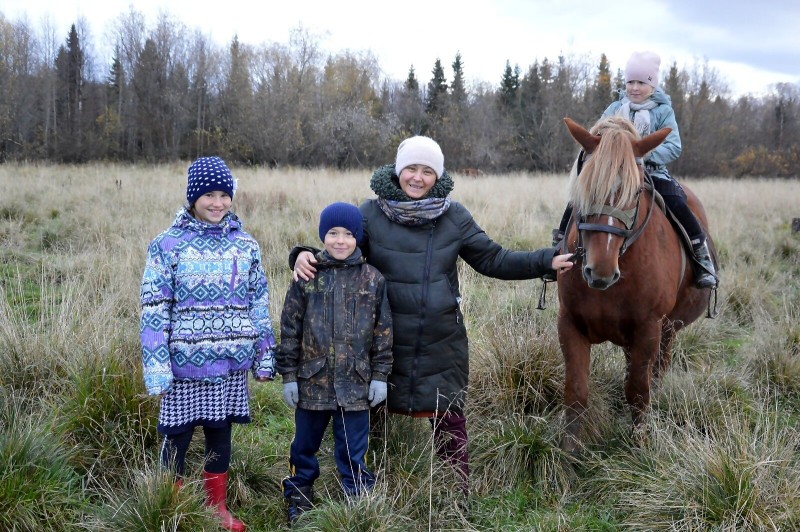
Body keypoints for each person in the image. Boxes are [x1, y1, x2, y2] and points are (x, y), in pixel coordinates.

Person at [291, 136, 574, 496]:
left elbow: (494, 259)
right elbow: (339, 250)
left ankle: (455, 494)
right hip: (379, 339)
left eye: (427, 171)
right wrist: (302, 255)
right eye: (411, 168)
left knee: (449, 418)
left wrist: (544, 261)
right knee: (365, 414)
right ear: (398, 171)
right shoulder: (370, 213)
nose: (417, 178)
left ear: (437, 175)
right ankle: (366, 483)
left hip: (439, 338)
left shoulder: (454, 215)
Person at [140, 156, 276, 532]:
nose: (217, 203)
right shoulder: (167, 245)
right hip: (182, 365)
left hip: (230, 363)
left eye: (224, 195)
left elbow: (258, 302)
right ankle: (169, 507)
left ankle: (217, 509)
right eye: (208, 195)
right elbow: (154, 310)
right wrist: (156, 366)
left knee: (221, 432)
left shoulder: (246, 246)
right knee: (176, 437)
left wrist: (265, 354)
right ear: (192, 197)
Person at [548, 50, 717, 288]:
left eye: (641, 82)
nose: (635, 88)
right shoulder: (615, 108)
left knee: (677, 201)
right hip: (612, 174)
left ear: (653, 85)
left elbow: (673, 146)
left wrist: (642, 158)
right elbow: (598, 135)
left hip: (652, 172)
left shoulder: (663, 111)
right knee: (577, 201)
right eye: (630, 82)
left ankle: (701, 255)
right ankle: (558, 246)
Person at [277, 202, 393, 524]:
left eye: (347, 234)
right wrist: (288, 375)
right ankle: (298, 496)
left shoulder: (372, 279)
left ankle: (357, 500)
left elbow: (383, 333)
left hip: (355, 385)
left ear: (358, 237)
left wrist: (379, 375)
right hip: (312, 383)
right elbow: (290, 328)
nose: (340, 240)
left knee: (353, 450)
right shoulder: (309, 275)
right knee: (303, 447)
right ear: (322, 236)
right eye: (332, 233)